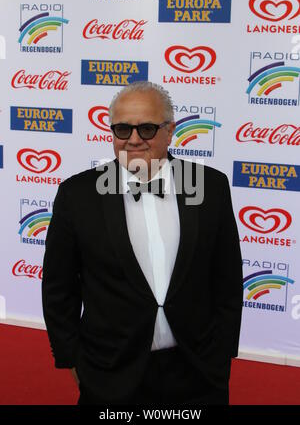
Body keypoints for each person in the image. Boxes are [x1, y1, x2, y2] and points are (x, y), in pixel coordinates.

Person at [41, 81, 243, 406]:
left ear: (170, 130)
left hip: (197, 372)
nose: (134, 139)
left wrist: (220, 357)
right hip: (110, 375)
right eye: (123, 129)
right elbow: (58, 289)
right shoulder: (76, 195)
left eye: (147, 128)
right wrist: (74, 362)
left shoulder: (211, 187)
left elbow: (227, 281)